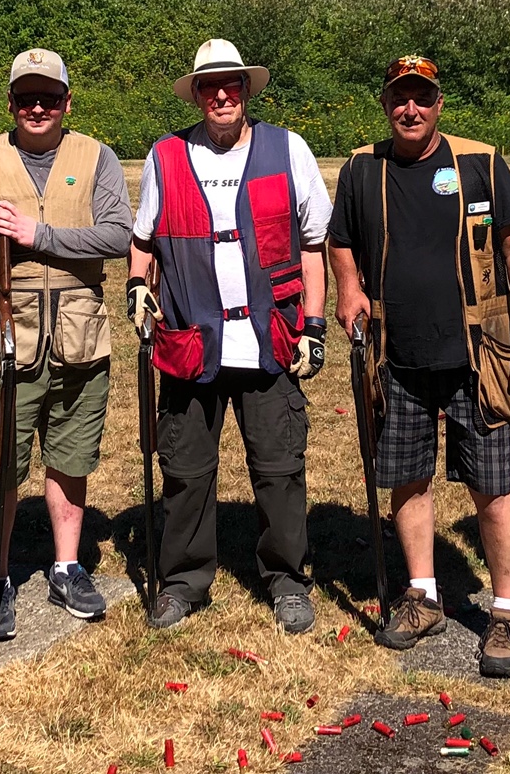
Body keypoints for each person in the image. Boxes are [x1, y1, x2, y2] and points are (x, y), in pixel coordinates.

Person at [328, 55, 510, 677]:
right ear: (386, 104)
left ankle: (505, 611)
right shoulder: (361, 168)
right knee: (408, 480)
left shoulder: (478, 161)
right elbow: (339, 240)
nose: (411, 109)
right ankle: (422, 594)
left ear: (438, 103)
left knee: (493, 488)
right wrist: (348, 288)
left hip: (478, 356)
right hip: (395, 355)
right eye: (400, 97)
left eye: (422, 97)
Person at [125, 39, 332, 634]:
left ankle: (288, 581)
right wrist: (138, 286)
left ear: (246, 91)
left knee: (279, 469)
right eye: (210, 85)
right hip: (192, 343)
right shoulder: (165, 157)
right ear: (196, 93)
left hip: (271, 343)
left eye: (232, 84)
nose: (221, 94)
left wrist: (313, 326)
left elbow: (313, 245)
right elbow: (143, 240)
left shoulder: (288, 150)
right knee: (186, 470)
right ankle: (185, 581)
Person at [0, 49, 132, 640]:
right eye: (27, 97)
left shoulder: (96, 157)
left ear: (67, 102)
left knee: (71, 456)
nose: (39, 106)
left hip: (79, 332)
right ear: (12, 103)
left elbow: (119, 234)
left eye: (49, 96)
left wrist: (36, 234)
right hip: (4, 334)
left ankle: (67, 567)